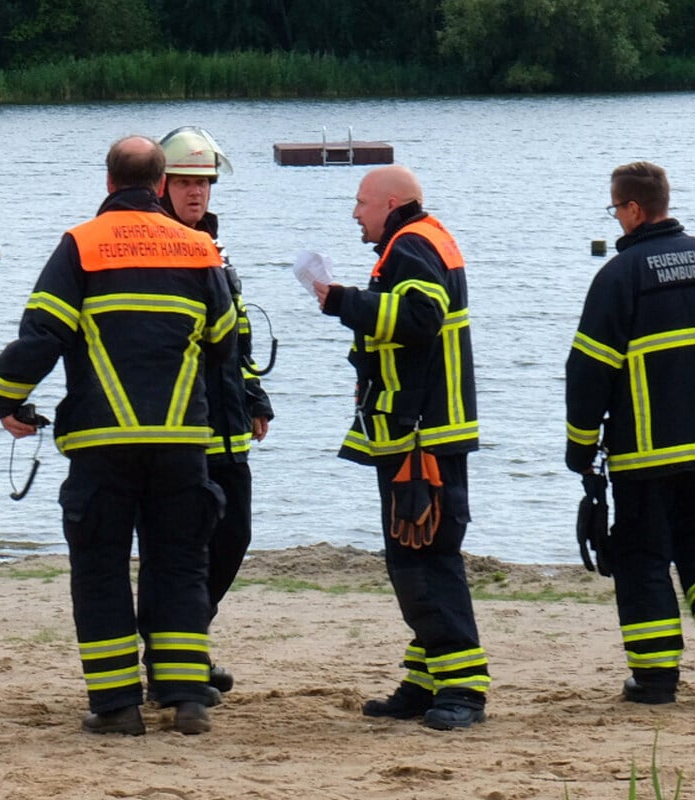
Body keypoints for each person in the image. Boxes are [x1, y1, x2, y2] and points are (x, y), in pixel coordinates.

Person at [0, 136, 236, 736]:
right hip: (180, 441)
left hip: (102, 442)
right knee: (179, 562)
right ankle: (187, 699)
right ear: (159, 186)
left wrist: (5, 398)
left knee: (99, 567)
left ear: (107, 183)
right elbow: (225, 342)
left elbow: (43, 334)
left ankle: (118, 706)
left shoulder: (81, 245)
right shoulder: (200, 249)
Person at [566, 161, 695, 705]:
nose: (615, 219)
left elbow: (588, 371)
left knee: (641, 556)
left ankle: (656, 679)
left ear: (634, 210)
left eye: (615, 209)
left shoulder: (619, 275)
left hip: (645, 454)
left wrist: (579, 446)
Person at [312, 165, 489, 731]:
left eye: (362, 203)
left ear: (392, 203)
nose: (355, 213)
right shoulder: (425, 237)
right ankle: (425, 679)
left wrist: (341, 301)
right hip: (423, 428)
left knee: (424, 560)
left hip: (421, 436)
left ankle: (463, 688)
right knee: (415, 555)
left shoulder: (411, 243)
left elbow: (418, 318)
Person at [142, 126, 273, 700]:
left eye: (205, 183)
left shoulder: (214, 248)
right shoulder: (151, 248)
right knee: (178, 545)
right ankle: (173, 658)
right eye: (187, 182)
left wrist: (255, 396)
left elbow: (234, 337)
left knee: (233, 535)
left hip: (226, 426)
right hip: (177, 428)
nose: (198, 193)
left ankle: (185, 641)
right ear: (161, 185)